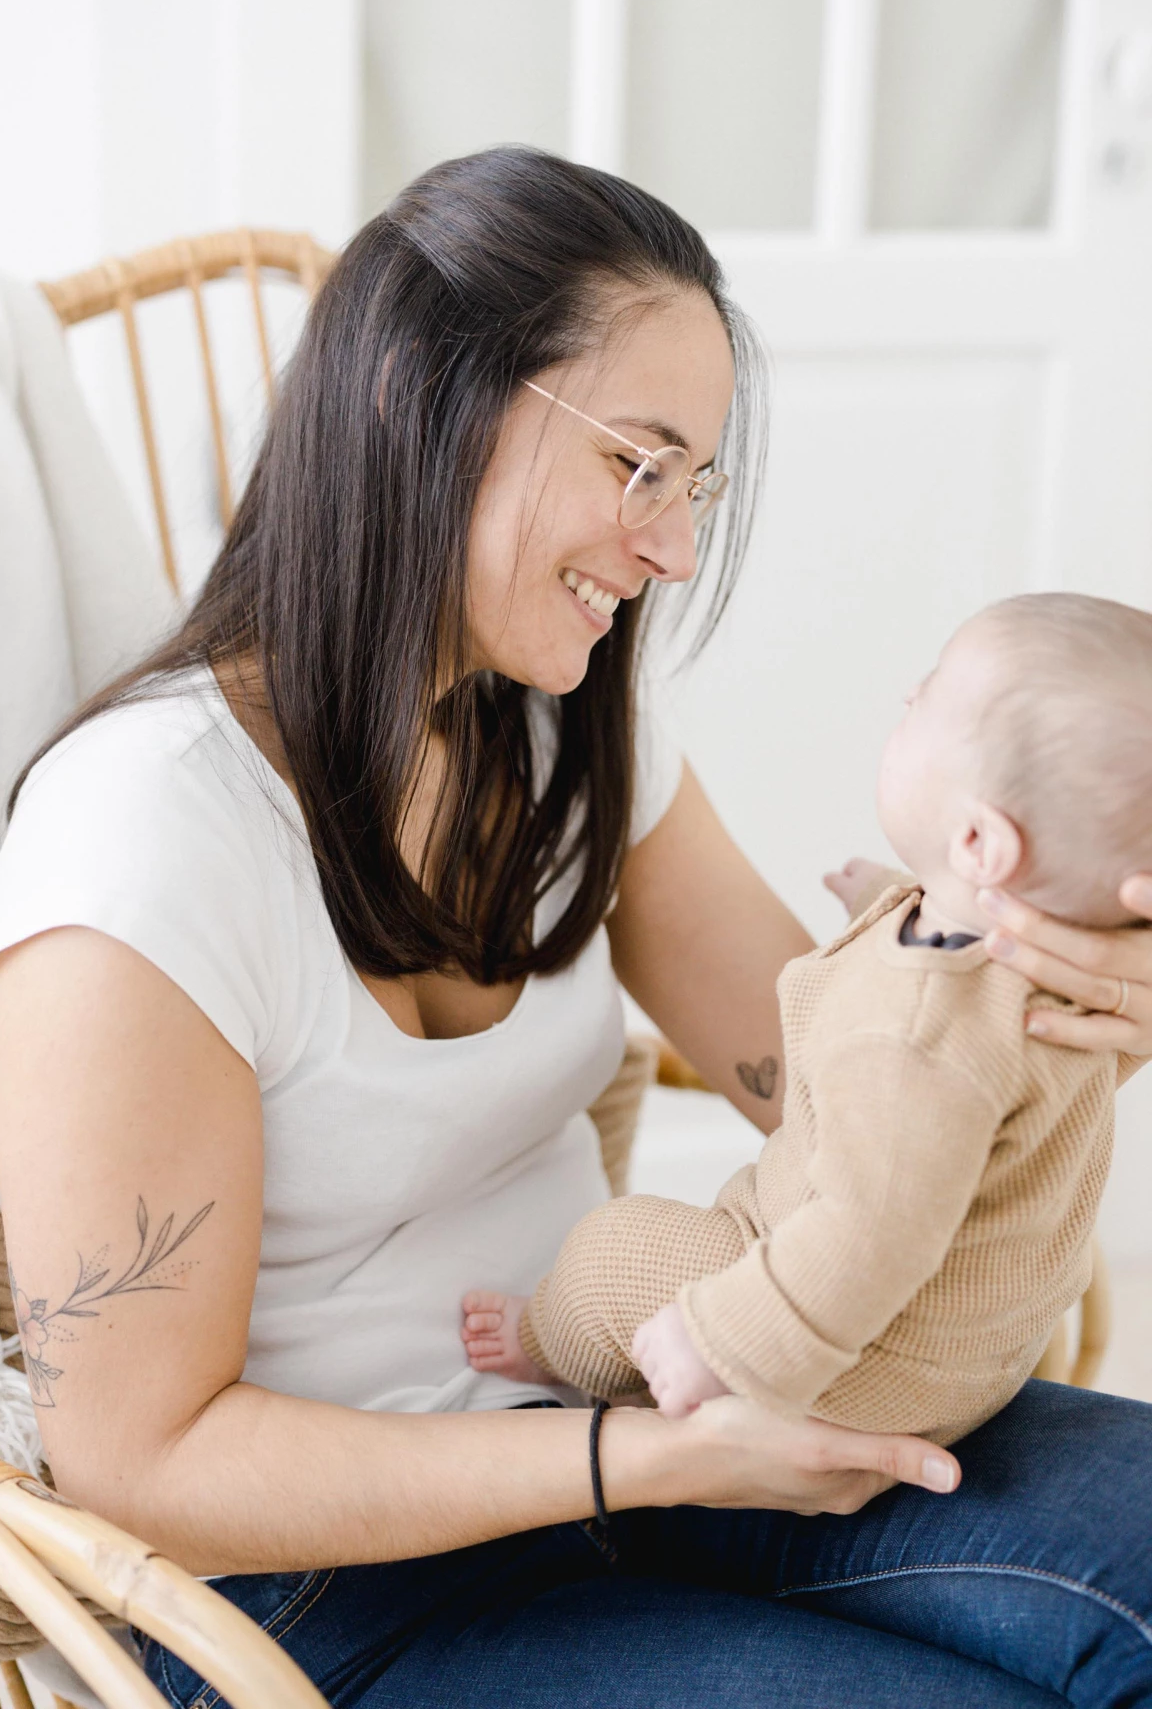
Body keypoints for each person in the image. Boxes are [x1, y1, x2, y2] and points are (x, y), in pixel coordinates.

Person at [0, 149, 1152, 1708]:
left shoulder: (557, 725)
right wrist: (643, 1460)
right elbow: (140, 1464)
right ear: (415, 403)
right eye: (637, 465)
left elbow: (829, 1086)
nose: (673, 551)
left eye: (694, 485)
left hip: (637, 1398)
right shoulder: (141, 838)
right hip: (318, 1589)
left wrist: (1047, 998)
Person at [462, 593, 1150, 1447]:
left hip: (869, 1354)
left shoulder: (913, 1043)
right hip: (978, 1342)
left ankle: (544, 1344)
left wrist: (721, 1345)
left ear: (978, 845)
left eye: (928, 699)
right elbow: (975, 1006)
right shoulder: (1053, 973)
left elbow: (865, 1239)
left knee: (611, 1253)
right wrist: (877, 896)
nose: (907, 696)